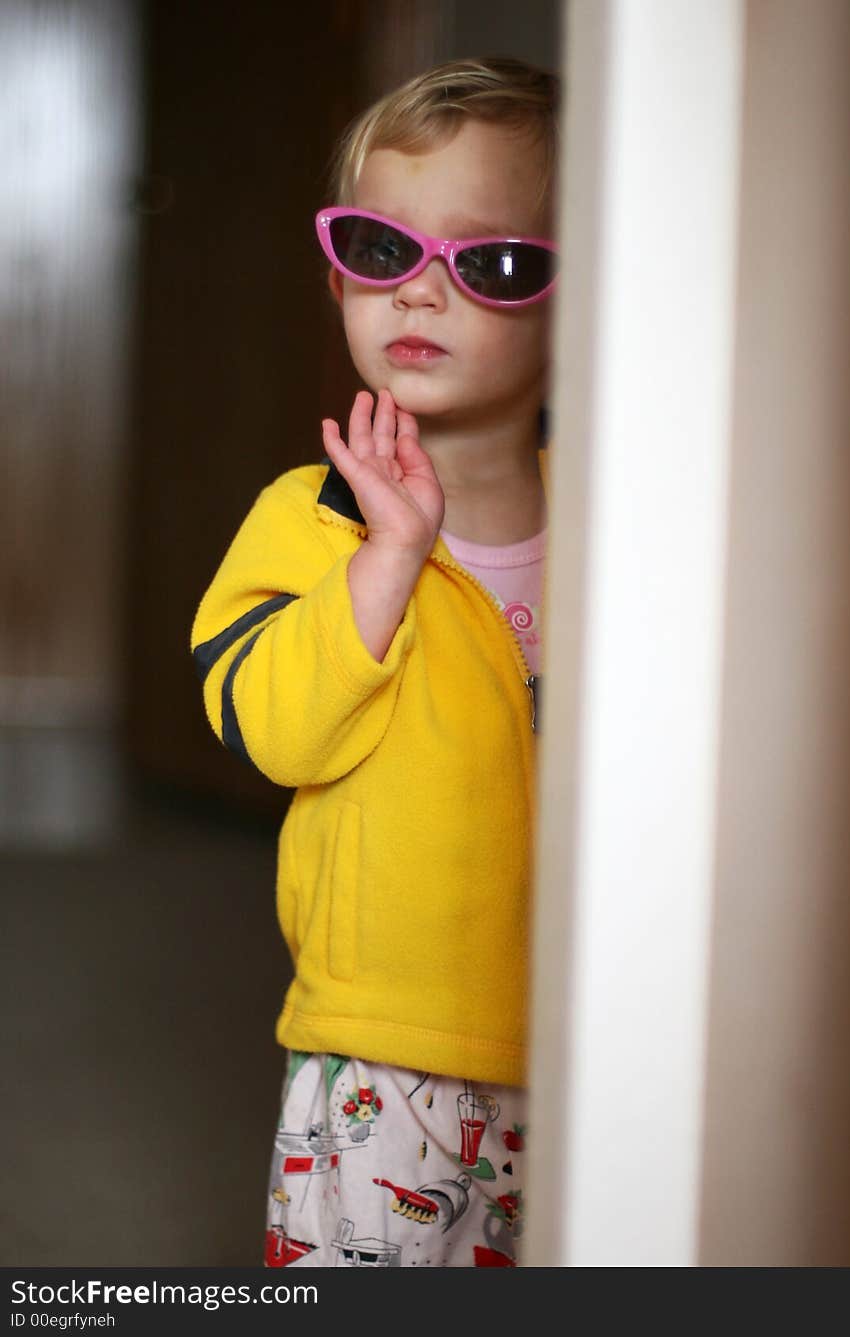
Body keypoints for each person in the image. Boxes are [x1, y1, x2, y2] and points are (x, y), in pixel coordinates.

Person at [191, 54, 558, 1268]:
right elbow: (269, 725)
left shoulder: (627, 528)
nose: (419, 294)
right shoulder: (312, 518)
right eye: (381, 249)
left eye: (492, 263)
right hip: (384, 1050)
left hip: (594, 1029)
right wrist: (385, 564)